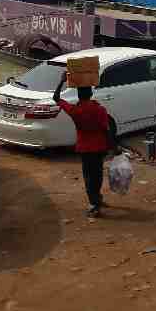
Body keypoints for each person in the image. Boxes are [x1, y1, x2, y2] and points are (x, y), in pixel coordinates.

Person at [53, 75, 114, 217]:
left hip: (84, 148)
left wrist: (61, 80)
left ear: (78, 95)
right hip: (99, 147)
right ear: (91, 93)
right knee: (97, 175)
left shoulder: (74, 110)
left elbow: (56, 98)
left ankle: (94, 203)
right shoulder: (100, 109)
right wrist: (113, 146)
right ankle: (97, 199)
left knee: (88, 176)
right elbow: (106, 130)